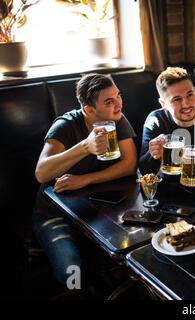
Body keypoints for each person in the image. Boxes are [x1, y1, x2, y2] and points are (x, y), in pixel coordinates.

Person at [32, 73, 137, 289]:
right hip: (54, 214)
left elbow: (129, 163)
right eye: (109, 101)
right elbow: (42, 173)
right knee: (71, 271)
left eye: (118, 96)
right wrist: (85, 147)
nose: (118, 104)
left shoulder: (118, 119)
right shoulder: (65, 126)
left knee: (131, 255)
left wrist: (84, 179)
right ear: (89, 110)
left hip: (98, 212)